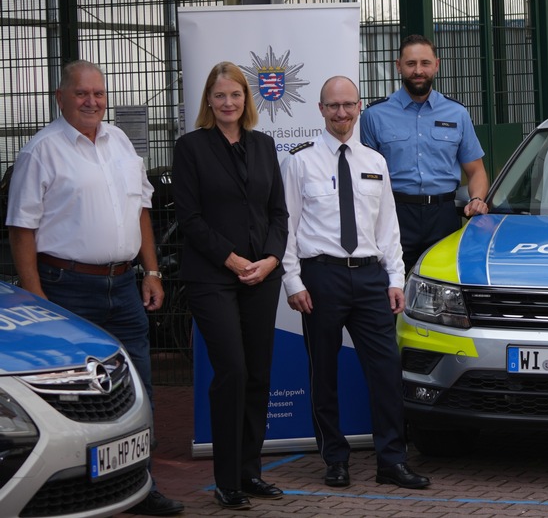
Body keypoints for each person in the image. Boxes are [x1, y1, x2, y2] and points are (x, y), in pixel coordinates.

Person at [5, 60, 184, 516]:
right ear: (61, 97)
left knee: (135, 389)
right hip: (66, 290)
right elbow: (21, 230)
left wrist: (152, 271)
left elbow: (141, 209)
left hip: (124, 286)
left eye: (98, 94)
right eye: (81, 94)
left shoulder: (119, 142)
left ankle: (140, 485)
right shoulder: (40, 152)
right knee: (76, 397)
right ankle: (69, 490)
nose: (91, 102)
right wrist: (35, 298)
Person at [281, 76, 430, 490]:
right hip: (321, 276)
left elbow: (388, 229)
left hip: (369, 278)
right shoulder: (300, 161)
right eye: (333, 106)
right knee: (323, 373)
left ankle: (392, 461)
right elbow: (288, 228)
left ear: (359, 106)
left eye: (348, 105)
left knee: (385, 371)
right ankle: (335, 459)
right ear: (321, 109)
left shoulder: (374, 162)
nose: (341, 113)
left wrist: (395, 278)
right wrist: (293, 281)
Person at [173, 61, 289, 509]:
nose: (228, 103)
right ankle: (226, 480)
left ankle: (249, 471)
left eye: (236, 95)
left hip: (262, 276)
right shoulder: (191, 148)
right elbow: (190, 219)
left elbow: (279, 213)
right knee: (233, 372)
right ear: (208, 100)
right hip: (212, 278)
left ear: (247, 100)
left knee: (259, 375)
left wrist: (271, 259)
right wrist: (232, 259)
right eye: (220, 96)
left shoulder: (263, 145)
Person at [359, 34, 489, 273]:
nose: (418, 70)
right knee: (391, 287)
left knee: (444, 283)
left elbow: (476, 170)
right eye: (411, 64)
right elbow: (365, 176)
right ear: (398, 66)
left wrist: (477, 199)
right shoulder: (374, 116)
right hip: (394, 214)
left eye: (425, 63)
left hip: (444, 216)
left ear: (436, 65)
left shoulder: (457, 113)